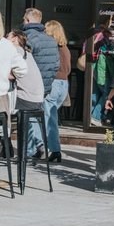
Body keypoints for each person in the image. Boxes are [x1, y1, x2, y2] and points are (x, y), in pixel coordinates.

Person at [7, 29, 45, 161]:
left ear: (15, 39)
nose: (6, 38)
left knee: (1, 110)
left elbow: (9, 75)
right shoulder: (26, 53)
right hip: (37, 98)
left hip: (27, 98)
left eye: (8, 36)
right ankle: (8, 146)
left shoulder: (16, 51)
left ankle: (18, 151)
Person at [42, 20, 70, 163]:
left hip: (53, 83)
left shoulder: (53, 48)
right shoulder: (65, 48)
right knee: (49, 117)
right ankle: (42, 146)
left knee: (49, 119)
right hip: (64, 84)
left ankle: (54, 149)